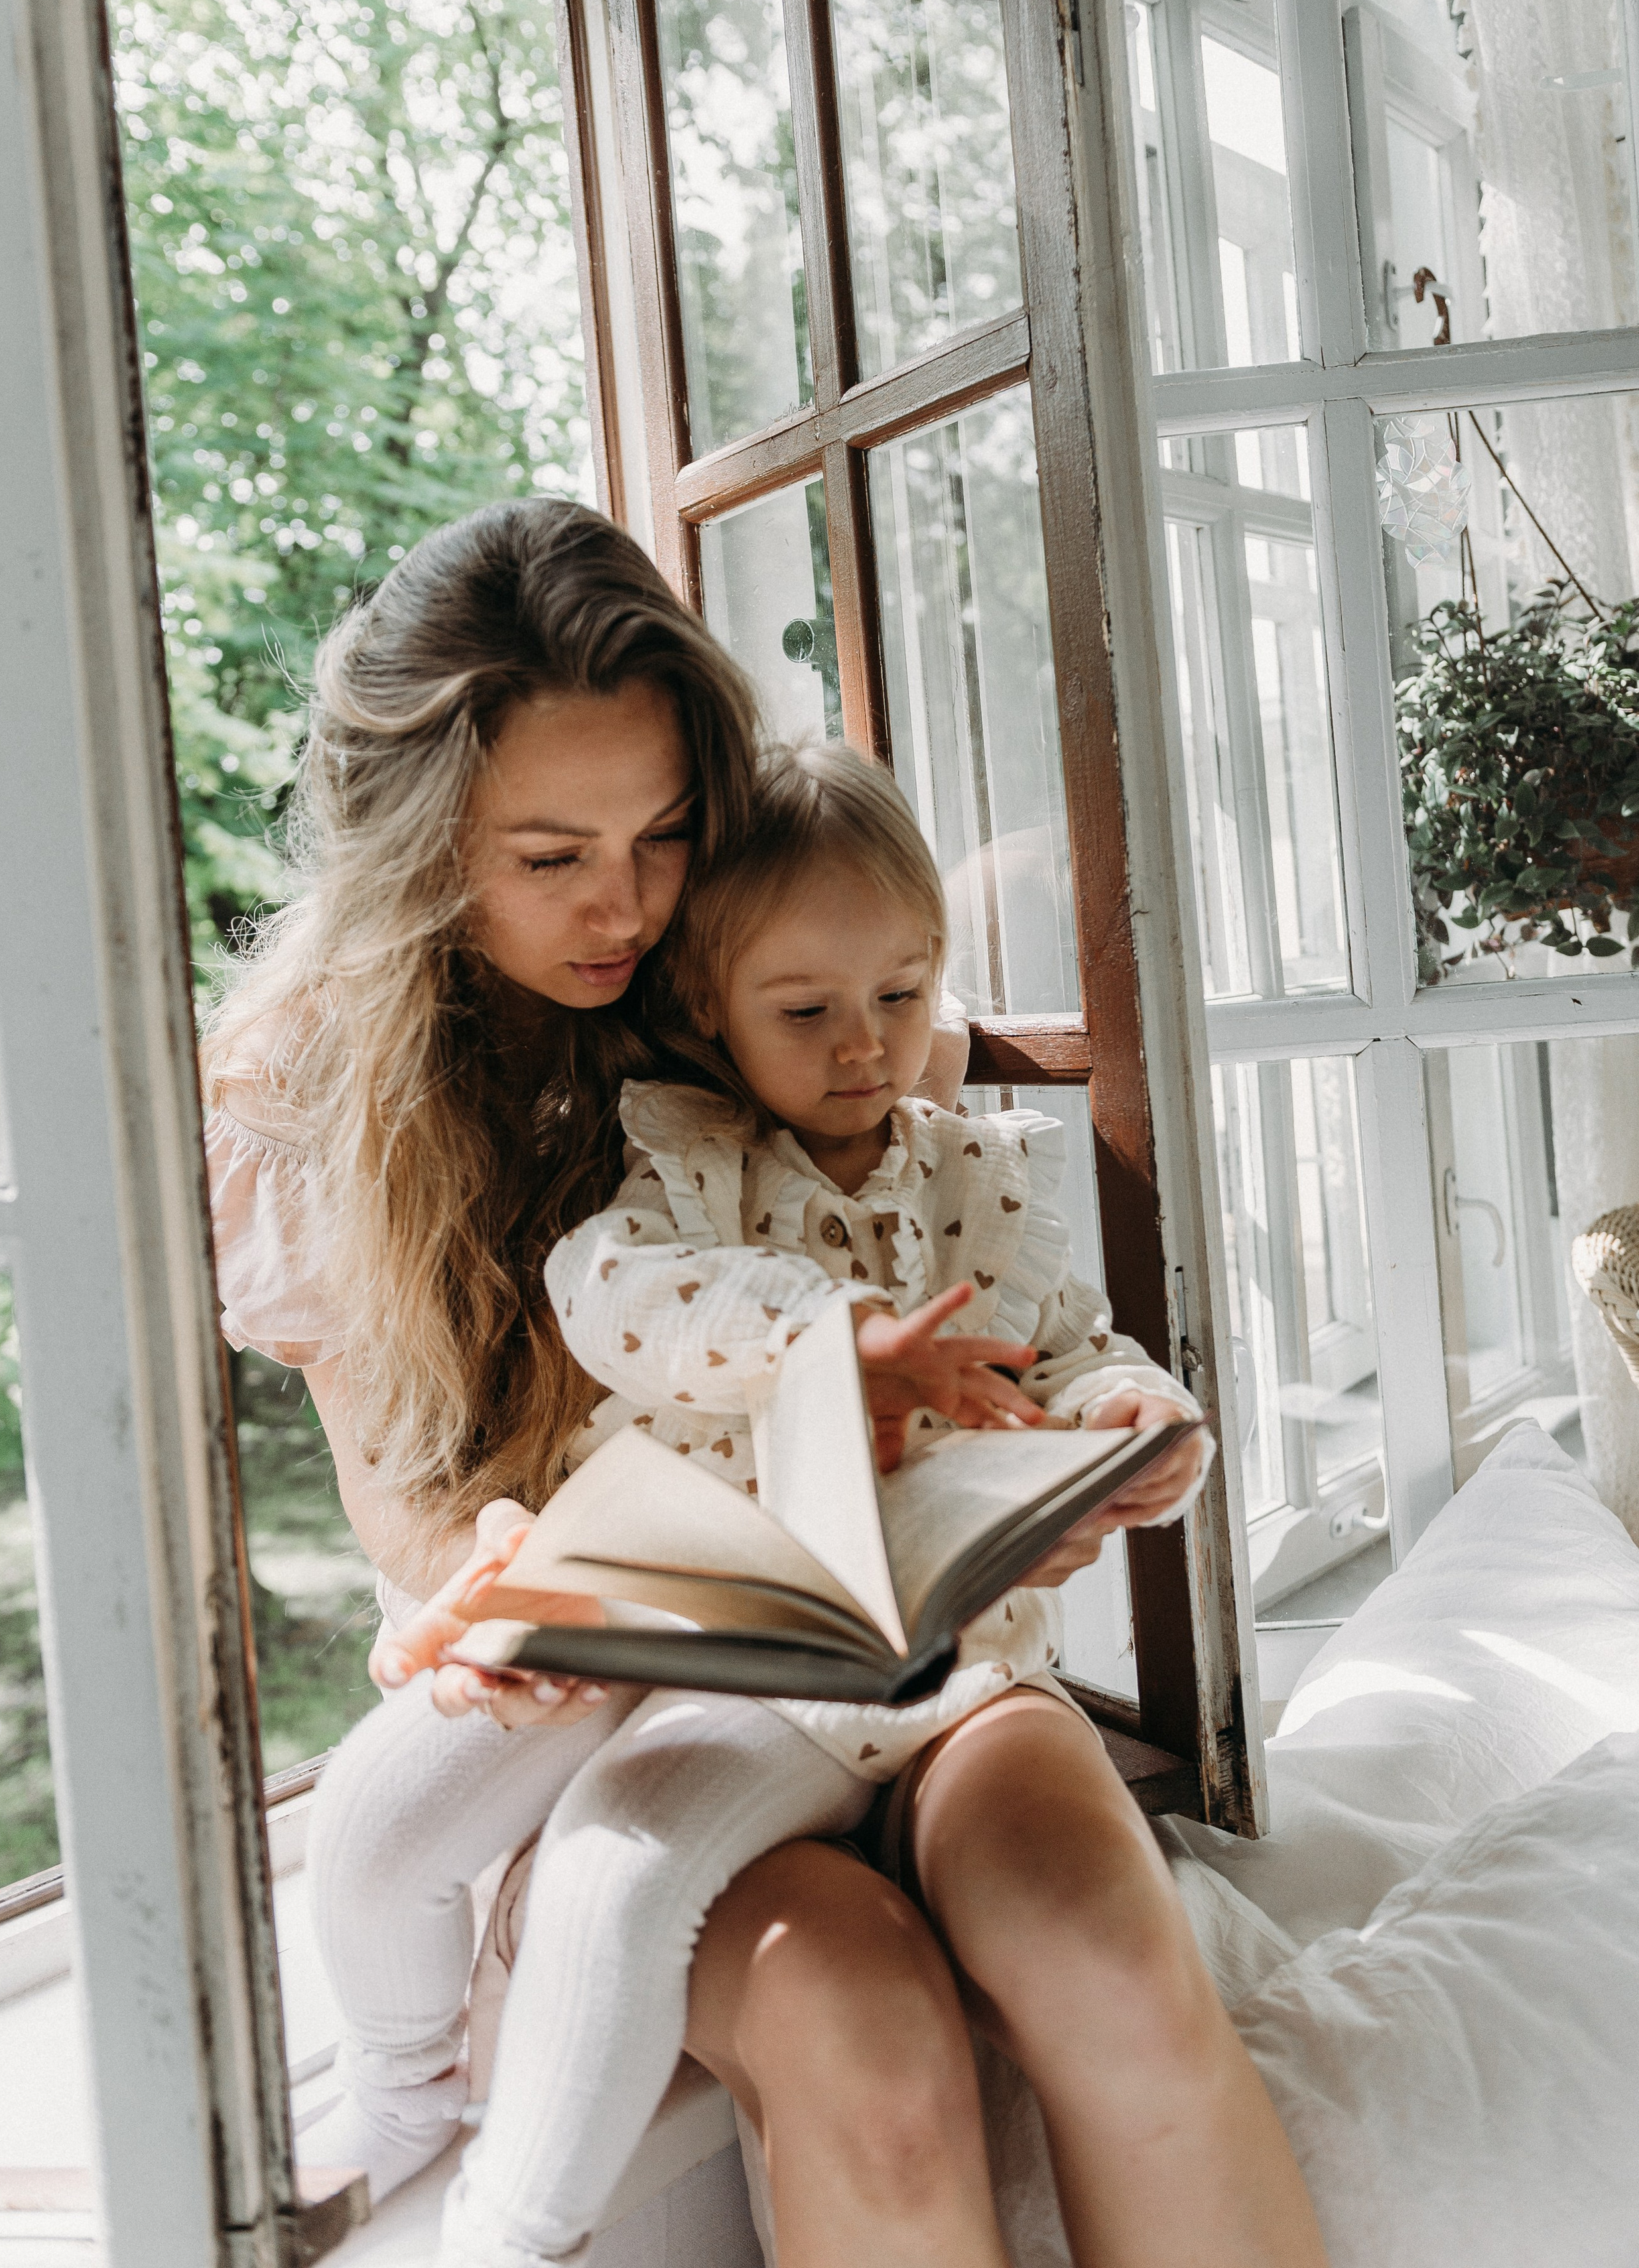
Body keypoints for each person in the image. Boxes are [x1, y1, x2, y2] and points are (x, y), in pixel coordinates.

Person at [207, 500, 1325, 2267]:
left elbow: (976, 1274)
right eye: (550, 855)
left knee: (1109, 1957)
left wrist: (1020, 1466)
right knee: (859, 2041)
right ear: (422, 844)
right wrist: (497, 1564)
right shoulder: (301, 1090)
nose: (624, 908)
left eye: (661, 836)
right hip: (619, 1706)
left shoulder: (771, 966)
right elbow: (404, 1497)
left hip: (912, 1671)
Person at [399, 740, 1212, 2268]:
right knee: (617, 1879)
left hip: (953, 1669)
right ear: (708, 1004)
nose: (866, 1047)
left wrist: (1133, 1424)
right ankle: (505, 2231)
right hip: (756, 1678)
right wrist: (815, 1336)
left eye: (901, 998)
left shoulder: (975, 1172)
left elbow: (1073, 1348)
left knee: (1098, 1941)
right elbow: (612, 1297)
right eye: (807, 1011)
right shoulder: (687, 1175)